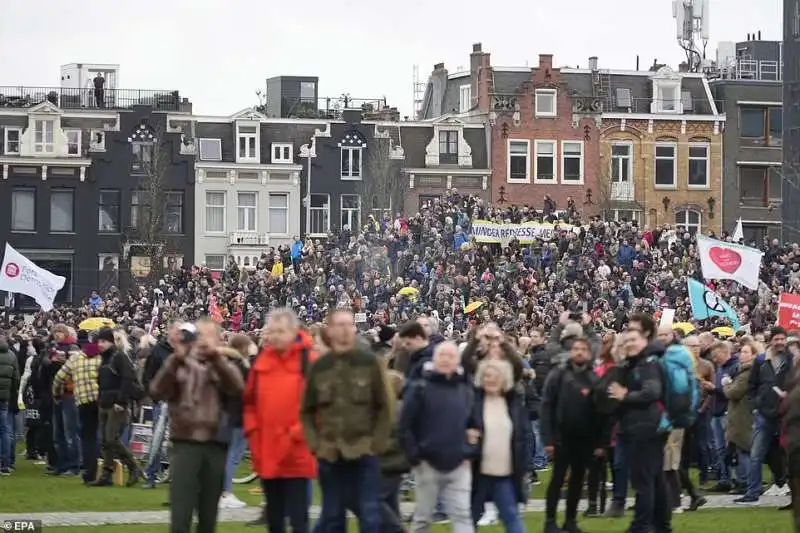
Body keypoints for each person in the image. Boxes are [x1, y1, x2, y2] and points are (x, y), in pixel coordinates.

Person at [150, 320, 246, 533]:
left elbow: (238, 389)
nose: (202, 340)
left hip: (215, 444)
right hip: (185, 443)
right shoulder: (179, 363)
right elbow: (156, 391)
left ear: (219, 339)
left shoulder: (224, 366)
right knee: (181, 512)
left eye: (208, 335)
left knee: (208, 515)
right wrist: (176, 357)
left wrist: (215, 358)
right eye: (198, 335)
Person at [301, 309, 393, 533]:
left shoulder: (369, 363)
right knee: (332, 517)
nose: (344, 330)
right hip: (330, 453)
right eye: (338, 325)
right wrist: (316, 444)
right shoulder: (320, 368)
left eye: (348, 325)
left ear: (354, 328)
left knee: (370, 515)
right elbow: (307, 411)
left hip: (364, 451)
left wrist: (377, 443)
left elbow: (385, 406)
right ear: (329, 331)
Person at [244, 309, 317, 531]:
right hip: (267, 450)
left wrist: (295, 434)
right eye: (272, 331)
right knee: (274, 518)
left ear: (294, 331)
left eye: (280, 331)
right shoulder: (262, 362)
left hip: (297, 453)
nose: (275, 336)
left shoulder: (310, 361)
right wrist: (254, 432)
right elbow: (250, 404)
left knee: (298, 518)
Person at [398, 340, 478, 533]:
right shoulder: (420, 388)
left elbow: (474, 424)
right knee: (423, 518)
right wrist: (415, 458)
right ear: (434, 359)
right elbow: (404, 426)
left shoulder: (465, 389)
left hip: (459, 465)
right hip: (427, 465)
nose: (446, 360)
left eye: (450, 356)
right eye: (442, 355)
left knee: (463, 516)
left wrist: (469, 452)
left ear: (457, 360)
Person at [609, 314, 672, 533]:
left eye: (633, 339)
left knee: (643, 479)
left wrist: (625, 396)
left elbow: (652, 391)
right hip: (648, 426)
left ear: (645, 338)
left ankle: (642, 524)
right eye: (626, 340)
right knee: (655, 478)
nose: (629, 344)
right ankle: (661, 524)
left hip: (645, 428)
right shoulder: (637, 363)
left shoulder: (648, 363)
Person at [541, 336, 609, 533]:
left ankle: (570, 520)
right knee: (557, 479)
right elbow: (547, 406)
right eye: (576, 348)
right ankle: (550, 521)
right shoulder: (559, 375)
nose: (579, 352)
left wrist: (600, 443)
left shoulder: (594, 379)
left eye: (583, 349)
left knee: (578, 480)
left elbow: (601, 413)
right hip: (561, 438)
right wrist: (549, 438)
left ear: (589, 354)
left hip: (585, 440)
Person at [471, 358, 530, 533]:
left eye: (496, 376)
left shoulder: (513, 404)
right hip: (477, 474)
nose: (491, 379)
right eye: (488, 375)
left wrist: (524, 465)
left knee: (511, 517)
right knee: (468, 521)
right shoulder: (473, 403)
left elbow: (523, 437)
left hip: (504, 474)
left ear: (504, 379)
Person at [738, 326, 793, 504]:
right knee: (756, 455)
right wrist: (755, 404)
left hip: (785, 415)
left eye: (782, 339)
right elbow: (752, 385)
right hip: (764, 415)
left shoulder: (792, 360)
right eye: (777, 339)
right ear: (771, 340)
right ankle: (753, 491)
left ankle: (792, 492)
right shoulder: (761, 361)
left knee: (791, 455)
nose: (780, 342)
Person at [91, 327, 143, 487]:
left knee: (111, 439)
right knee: (106, 442)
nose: (100, 344)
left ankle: (134, 467)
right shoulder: (104, 358)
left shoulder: (119, 357)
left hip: (116, 404)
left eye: (103, 341)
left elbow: (128, 379)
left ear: (111, 342)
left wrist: (121, 401)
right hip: (105, 403)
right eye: (99, 341)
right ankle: (106, 474)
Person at [51, 341, 101, 484]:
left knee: (85, 437)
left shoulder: (76, 358)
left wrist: (56, 394)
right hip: (100, 400)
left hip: (83, 400)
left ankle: (88, 471)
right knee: (99, 436)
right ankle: (100, 468)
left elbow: (59, 377)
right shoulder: (101, 358)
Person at [218, 333, 254, 509]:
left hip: (229, 415)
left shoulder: (228, 365)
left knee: (229, 455)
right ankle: (226, 492)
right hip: (240, 416)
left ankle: (222, 492)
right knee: (233, 456)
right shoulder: (241, 367)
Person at [142, 322, 178, 489]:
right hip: (162, 402)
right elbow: (147, 375)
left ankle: (177, 476)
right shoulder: (158, 351)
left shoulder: (187, 350)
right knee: (156, 439)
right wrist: (154, 395)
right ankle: (151, 475)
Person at [723, 340, 759, 496]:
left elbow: (734, 393)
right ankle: (744, 481)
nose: (741, 355)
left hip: (743, 415)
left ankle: (745, 482)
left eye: (746, 352)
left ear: (753, 355)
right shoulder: (742, 371)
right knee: (741, 450)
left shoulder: (747, 373)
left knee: (744, 450)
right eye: (741, 351)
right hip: (740, 414)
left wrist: (726, 384)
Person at [380, 370, 411, 533]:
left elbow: (394, 440)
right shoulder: (400, 408)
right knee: (390, 502)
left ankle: (398, 529)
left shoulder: (394, 411)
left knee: (375, 499)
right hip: (394, 464)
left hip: (389, 463)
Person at [0, 338, 20, 475]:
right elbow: (16, 378)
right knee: (5, 430)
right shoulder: (11, 355)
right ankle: (5, 464)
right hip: (4, 397)